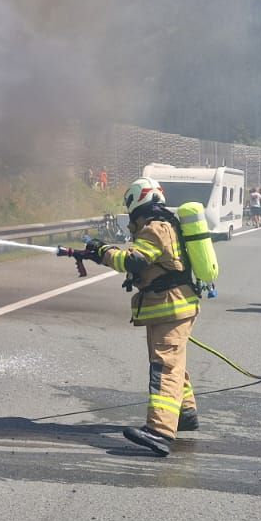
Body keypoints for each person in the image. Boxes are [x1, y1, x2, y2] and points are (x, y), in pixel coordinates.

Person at [84, 177, 199, 457]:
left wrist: (103, 251)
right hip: (171, 306)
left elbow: (133, 261)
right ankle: (184, 414)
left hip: (170, 306)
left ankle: (160, 431)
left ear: (136, 200)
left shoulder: (155, 228)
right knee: (172, 362)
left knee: (165, 367)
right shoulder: (164, 224)